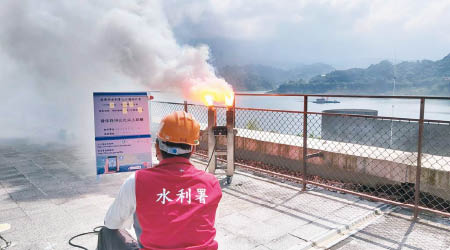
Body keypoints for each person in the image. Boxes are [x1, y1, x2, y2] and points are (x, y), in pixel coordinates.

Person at [98, 111, 223, 250]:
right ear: (193, 149)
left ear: (157, 146)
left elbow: (111, 222)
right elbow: (208, 226)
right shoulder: (211, 183)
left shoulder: (136, 181)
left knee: (107, 232)